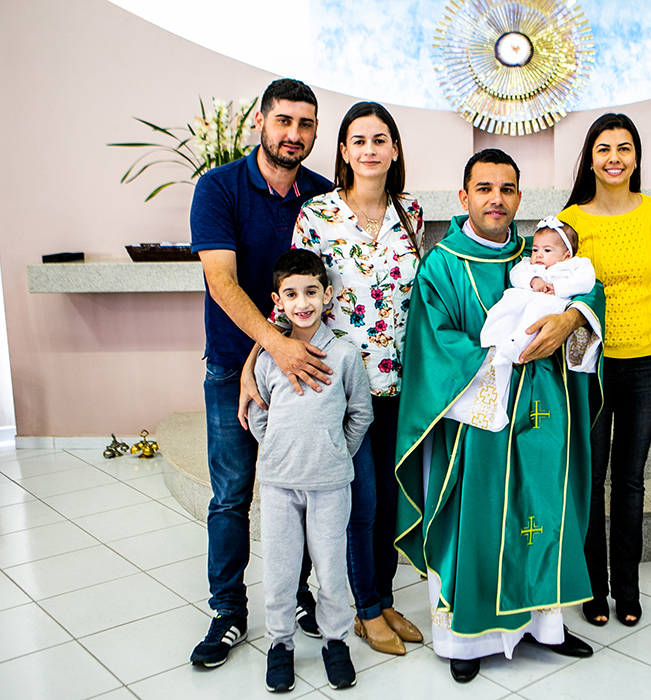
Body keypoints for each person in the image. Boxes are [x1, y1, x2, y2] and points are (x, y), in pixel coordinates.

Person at [394, 149, 605, 683]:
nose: (496, 199)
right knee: (478, 525)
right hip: (479, 422)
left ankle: (544, 628)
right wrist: (500, 360)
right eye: (484, 189)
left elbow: (590, 290)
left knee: (542, 515)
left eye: (507, 189)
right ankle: (467, 638)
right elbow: (434, 344)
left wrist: (573, 318)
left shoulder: (539, 257)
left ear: (519, 198)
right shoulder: (442, 265)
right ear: (464, 197)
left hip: (541, 417)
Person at [189, 78, 333, 667]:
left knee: (299, 488)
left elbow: (324, 292)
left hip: (301, 370)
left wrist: (279, 356)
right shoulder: (218, 188)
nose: (294, 134)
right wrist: (269, 350)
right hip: (233, 368)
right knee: (232, 496)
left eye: (305, 124)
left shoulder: (322, 195)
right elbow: (221, 282)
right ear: (260, 122)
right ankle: (227, 610)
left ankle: (297, 596)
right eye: (284, 121)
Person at [289, 101, 425, 655]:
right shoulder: (316, 214)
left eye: (379, 139)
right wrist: (263, 363)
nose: (370, 150)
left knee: (390, 502)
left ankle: (385, 599)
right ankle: (364, 609)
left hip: (400, 383)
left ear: (394, 149)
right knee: (360, 504)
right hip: (342, 387)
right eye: (359, 140)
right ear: (344, 151)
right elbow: (298, 298)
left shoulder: (410, 213)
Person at [558, 113, 651, 627]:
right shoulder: (571, 220)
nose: (614, 158)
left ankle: (627, 589)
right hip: (590, 363)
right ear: (590, 158)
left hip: (646, 360)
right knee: (591, 478)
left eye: (624, 148)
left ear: (636, 157)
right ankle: (593, 588)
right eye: (603, 149)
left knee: (630, 480)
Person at [247, 249, 373, 691]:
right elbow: (259, 412)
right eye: (292, 294)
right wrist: (278, 449)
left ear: (327, 295)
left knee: (331, 568)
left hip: (330, 484)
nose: (302, 302)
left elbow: (360, 413)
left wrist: (335, 451)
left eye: (311, 292)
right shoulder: (269, 357)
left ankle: (336, 642)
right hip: (280, 485)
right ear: (277, 301)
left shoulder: (344, 355)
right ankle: (280, 643)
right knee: (280, 571)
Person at [468, 217, 598, 431]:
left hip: (551, 302)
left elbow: (587, 281)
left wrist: (559, 288)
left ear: (566, 255)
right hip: (525, 296)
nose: (538, 254)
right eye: (536, 249)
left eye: (547, 250)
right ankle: (492, 342)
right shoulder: (529, 264)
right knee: (504, 310)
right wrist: (533, 281)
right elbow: (516, 274)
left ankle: (515, 347)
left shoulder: (576, 264)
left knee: (534, 318)